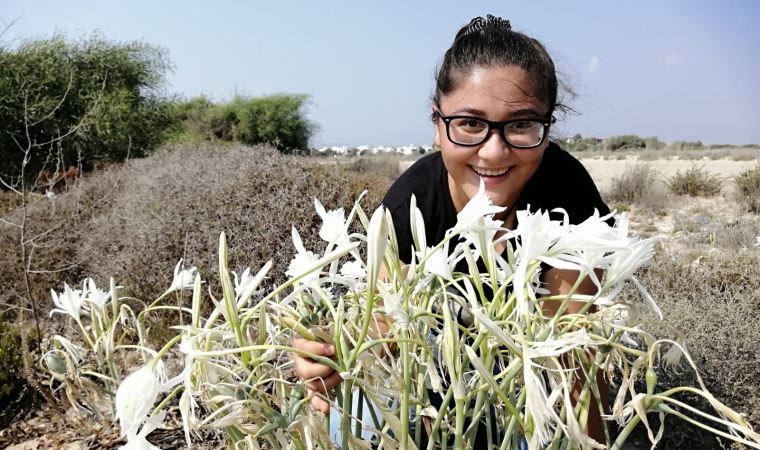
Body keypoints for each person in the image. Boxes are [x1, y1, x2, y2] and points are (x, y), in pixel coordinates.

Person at [292, 14, 610, 446]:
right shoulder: (409, 206)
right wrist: (331, 353)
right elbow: (385, 326)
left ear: (547, 129)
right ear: (438, 127)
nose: (494, 152)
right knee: (355, 410)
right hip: (432, 368)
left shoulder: (568, 199)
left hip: (525, 372)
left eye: (521, 125)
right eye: (470, 124)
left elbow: (573, 361)